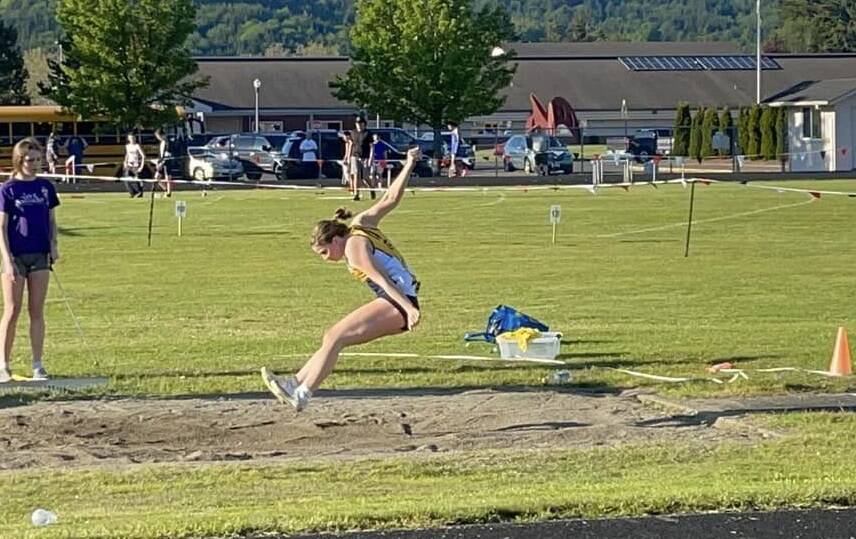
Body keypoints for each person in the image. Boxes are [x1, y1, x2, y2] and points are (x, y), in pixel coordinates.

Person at [261, 147, 423, 411]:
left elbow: (382, 281)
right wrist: (409, 164)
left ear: (336, 239)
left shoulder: (353, 249)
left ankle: (302, 394)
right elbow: (391, 198)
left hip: (397, 302)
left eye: (324, 252)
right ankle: (296, 383)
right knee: (332, 337)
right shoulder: (362, 222)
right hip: (397, 300)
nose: (325, 258)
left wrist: (408, 309)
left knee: (335, 337)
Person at [0, 138, 60, 383]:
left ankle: (37, 365)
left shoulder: (45, 187)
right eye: (30, 160)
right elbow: (1, 227)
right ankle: (3, 365)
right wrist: (6, 260)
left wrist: (53, 245)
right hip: (15, 256)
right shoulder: (7, 189)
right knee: (12, 310)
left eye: (38, 160)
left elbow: (52, 220)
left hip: (40, 255)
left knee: (37, 310)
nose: (34, 165)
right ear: (19, 160)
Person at [350, 116, 375, 201]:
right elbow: (351, 144)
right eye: (357, 123)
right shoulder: (353, 132)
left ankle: (371, 189)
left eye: (361, 123)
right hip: (355, 156)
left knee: (365, 177)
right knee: (356, 174)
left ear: (364, 124)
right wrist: (348, 156)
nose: (359, 125)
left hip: (365, 157)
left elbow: (372, 146)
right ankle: (356, 193)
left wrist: (371, 158)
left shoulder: (368, 133)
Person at [123, 134, 146, 198]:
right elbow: (127, 155)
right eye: (130, 138)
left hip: (136, 165)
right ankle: (132, 192)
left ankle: (140, 193)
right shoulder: (127, 146)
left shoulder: (137, 146)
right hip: (129, 164)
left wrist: (141, 166)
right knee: (126, 179)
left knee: (137, 180)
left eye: (133, 138)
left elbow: (143, 156)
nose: (132, 139)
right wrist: (125, 162)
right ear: (128, 139)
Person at [154, 129, 172, 198]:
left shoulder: (168, 143)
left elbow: (167, 154)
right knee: (156, 178)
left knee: (168, 177)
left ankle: (169, 193)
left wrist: (162, 163)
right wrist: (158, 162)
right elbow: (160, 155)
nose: (158, 138)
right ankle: (165, 189)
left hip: (167, 162)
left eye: (159, 136)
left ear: (162, 135)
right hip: (161, 162)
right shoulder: (161, 143)